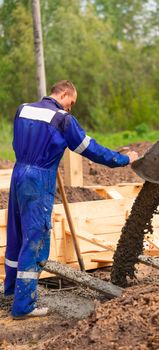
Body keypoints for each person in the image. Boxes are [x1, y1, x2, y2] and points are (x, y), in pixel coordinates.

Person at [4, 80, 138, 319]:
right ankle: (24, 306)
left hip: (19, 172)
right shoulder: (63, 120)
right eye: (71, 103)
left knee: (16, 234)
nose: (70, 109)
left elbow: (18, 142)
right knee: (34, 239)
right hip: (39, 179)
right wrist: (123, 160)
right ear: (64, 94)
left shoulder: (23, 109)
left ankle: (10, 291)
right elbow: (91, 149)